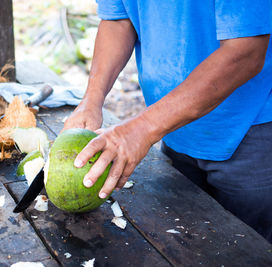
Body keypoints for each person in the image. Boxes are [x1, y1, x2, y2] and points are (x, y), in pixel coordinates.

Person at [62, 0, 272, 242]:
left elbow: (245, 52)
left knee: (250, 249)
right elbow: (119, 19)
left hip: (251, 128)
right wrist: (91, 99)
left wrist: (141, 129)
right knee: (186, 245)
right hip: (173, 124)